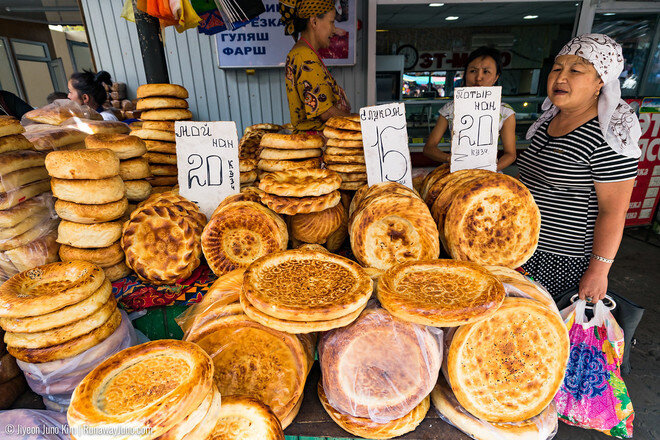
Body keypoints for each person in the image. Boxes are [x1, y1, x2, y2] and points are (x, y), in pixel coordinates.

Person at [518, 34, 641, 302]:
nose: (560, 78)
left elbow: (613, 212)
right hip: (525, 251)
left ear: (601, 81)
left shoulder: (608, 137)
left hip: (565, 261)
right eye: (557, 68)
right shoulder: (548, 122)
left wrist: (599, 271)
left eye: (575, 70)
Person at [423, 47, 516, 171]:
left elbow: (510, 154)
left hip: (490, 175)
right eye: (473, 71)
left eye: (486, 72)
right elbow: (429, 148)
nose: (478, 78)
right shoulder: (450, 108)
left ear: (496, 77)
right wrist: (449, 159)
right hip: (458, 172)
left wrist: (490, 169)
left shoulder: (505, 112)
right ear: (465, 74)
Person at [280, 0, 351, 133]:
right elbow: (325, 112)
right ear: (314, 22)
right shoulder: (304, 55)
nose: (334, 29)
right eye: (331, 22)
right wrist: (361, 123)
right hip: (316, 144)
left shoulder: (304, 53)